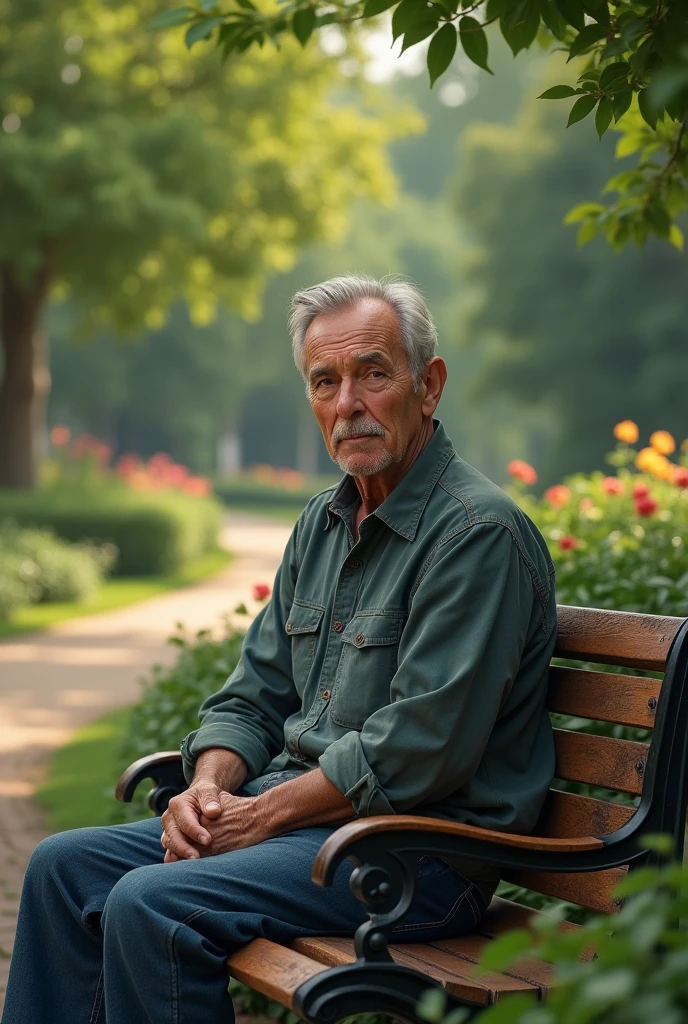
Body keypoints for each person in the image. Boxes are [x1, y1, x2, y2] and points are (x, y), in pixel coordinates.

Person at [3, 275, 556, 1024]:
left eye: (372, 374)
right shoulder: (321, 526)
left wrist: (258, 817)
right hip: (306, 829)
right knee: (61, 869)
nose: (347, 404)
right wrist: (207, 790)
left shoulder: (477, 535)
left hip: (415, 857)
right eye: (324, 381)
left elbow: (421, 747)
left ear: (428, 386)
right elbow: (251, 695)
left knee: (155, 903)